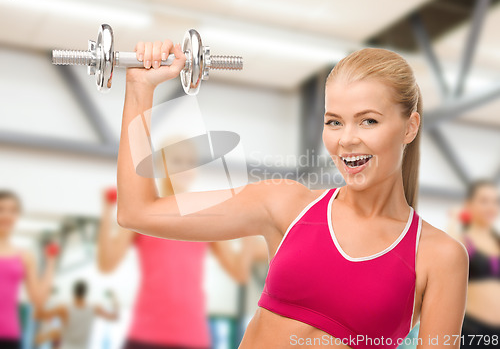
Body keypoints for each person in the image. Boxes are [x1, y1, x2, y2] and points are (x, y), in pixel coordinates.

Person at [116, 41, 469, 348]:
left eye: (368, 121)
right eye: (334, 121)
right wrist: (139, 89)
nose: (346, 139)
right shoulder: (285, 205)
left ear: (410, 127)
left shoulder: (438, 257)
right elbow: (137, 211)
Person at [98, 143, 267, 349]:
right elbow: (107, 263)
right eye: (177, 161)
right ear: (162, 166)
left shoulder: (205, 214)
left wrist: (250, 226)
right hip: (146, 334)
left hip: (192, 337)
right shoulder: (144, 211)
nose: (185, 168)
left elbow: (239, 271)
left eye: (190, 162)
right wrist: (107, 212)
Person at [447, 179, 500, 348]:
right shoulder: (463, 240)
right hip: (473, 332)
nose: (491, 206)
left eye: (495, 201)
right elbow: (447, 259)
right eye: (484, 201)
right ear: (469, 205)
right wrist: (455, 221)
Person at [0, 190, 56, 349]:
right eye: (1, 209)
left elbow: (38, 299)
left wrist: (50, 262)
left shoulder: (25, 256)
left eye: (12, 210)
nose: (6, 215)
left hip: (9, 337)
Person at [34, 280, 119, 349]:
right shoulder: (94, 308)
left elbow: (38, 315)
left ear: (73, 292)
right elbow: (114, 317)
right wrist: (114, 297)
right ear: (86, 293)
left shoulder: (63, 308)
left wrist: (47, 293)